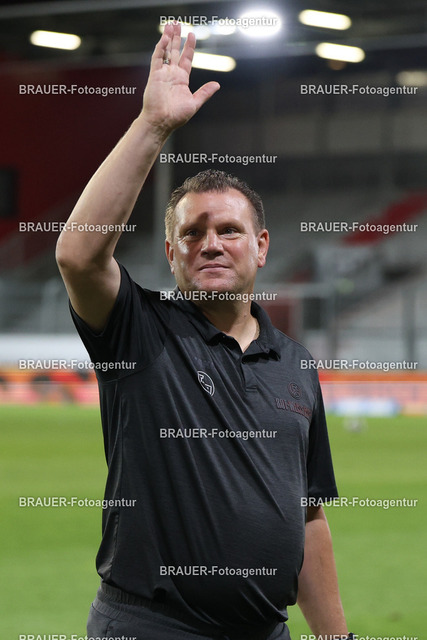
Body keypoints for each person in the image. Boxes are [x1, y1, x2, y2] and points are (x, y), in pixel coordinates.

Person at [56, 22, 353, 640]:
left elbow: (308, 517)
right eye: (192, 233)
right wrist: (153, 126)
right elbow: (78, 256)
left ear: (261, 246)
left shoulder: (296, 363)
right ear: (171, 254)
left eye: (229, 230)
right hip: (152, 626)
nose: (210, 244)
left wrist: (336, 637)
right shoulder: (138, 331)